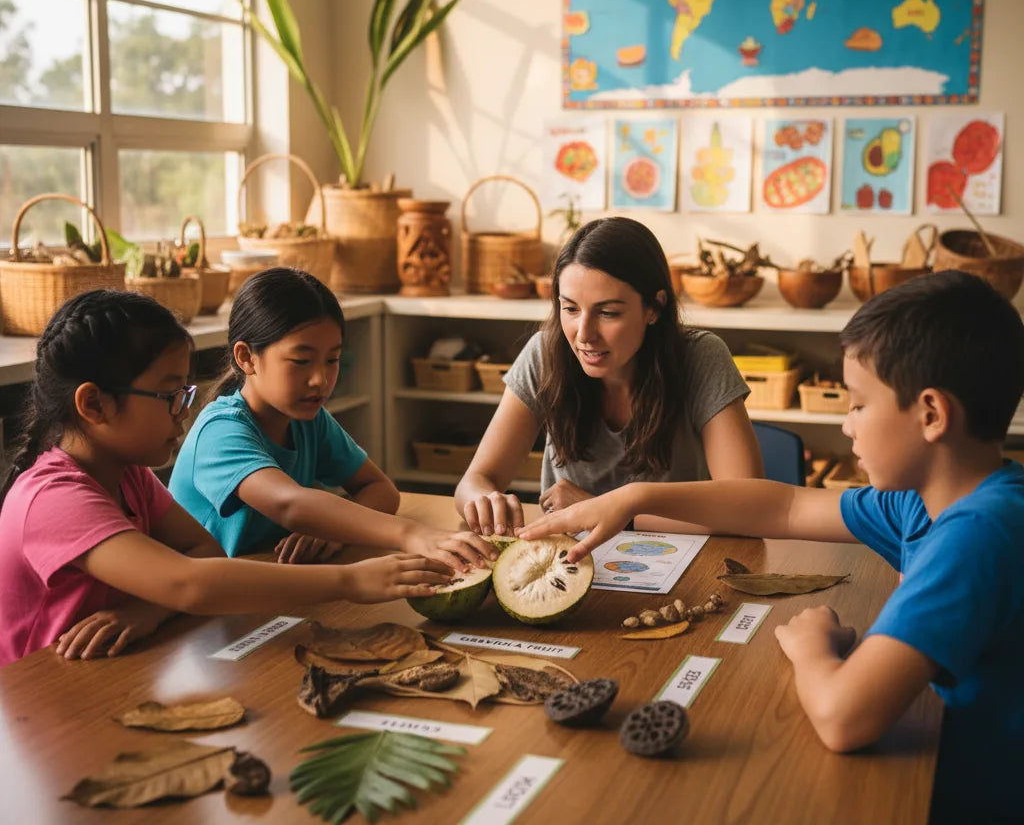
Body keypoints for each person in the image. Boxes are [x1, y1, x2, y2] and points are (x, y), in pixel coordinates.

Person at [519, 271, 1024, 825]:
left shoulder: (979, 533)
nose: (847, 425)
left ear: (930, 414)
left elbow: (844, 717)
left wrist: (812, 646)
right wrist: (632, 496)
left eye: (858, 403)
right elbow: (781, 507)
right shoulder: (928, 501)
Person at [0, 289, 453, 666]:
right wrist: (349, 581)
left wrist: (148, 609)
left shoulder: (128, 475)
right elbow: (189, 583)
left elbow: (202, 553)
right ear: (94, 405)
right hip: (44, 691)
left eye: (185, 391)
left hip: (116, 666)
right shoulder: (54, 498)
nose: (184, 409)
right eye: (170, 394)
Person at [454, 216, 762, 536]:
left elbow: (751, 509)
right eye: (570, 309)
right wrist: (484, 501)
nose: (584, 335)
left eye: (607, 313)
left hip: (683, 563)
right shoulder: (545, 353)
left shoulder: (701, 357)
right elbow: (474, 481)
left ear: (654, 308)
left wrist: (606, 510)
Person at [171, 267, 494, 569]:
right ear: (247, 358)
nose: (320, 380)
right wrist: (413, 534)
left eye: (333, 359)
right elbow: (290, 504)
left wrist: (331, 528)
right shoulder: (219, 432)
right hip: (212, 601)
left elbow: (380, 489)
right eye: (301, 360)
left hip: (277, 583)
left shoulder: (309, 420)